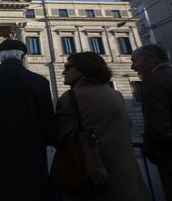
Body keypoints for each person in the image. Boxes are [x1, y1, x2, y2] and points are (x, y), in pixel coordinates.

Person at [0, 39, 56, 201]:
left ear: (1, 56)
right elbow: (48, 120)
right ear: (22, 57)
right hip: (31, 151)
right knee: (31, 191)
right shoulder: (40, 82)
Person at [55, 52, 148, 201]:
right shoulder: (116, 94)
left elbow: (59, 136)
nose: (63, 71)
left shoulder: (70, 98)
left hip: (92, 178)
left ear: (82, 69)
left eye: (68, 66)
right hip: (126, 177)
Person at [131, 45, 172, 200]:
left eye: (135, 61)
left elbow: (157, 126)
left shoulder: (154, 79)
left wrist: (150, 150)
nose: (132, 66)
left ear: (151, 58)